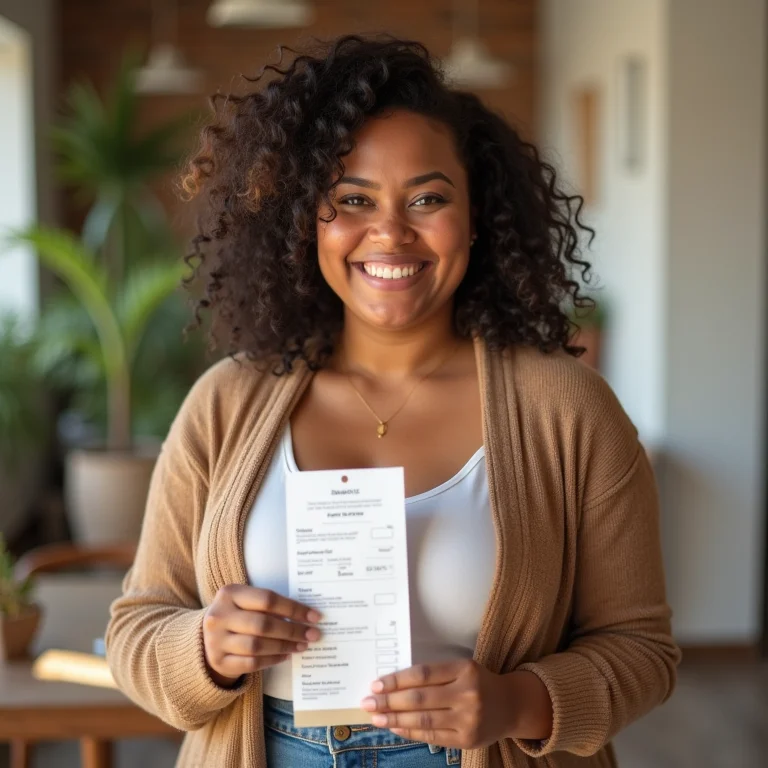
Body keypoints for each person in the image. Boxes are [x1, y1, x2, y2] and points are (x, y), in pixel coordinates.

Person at [106, 34, 680, 768]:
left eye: (428, 198)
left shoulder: (569, 411)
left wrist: (516, 701)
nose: (390, 232)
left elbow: (643, 650)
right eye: (352, 200)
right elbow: (136, 628)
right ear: (306, 221)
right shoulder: (225, 404)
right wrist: (206, 649)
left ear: (476, 217)